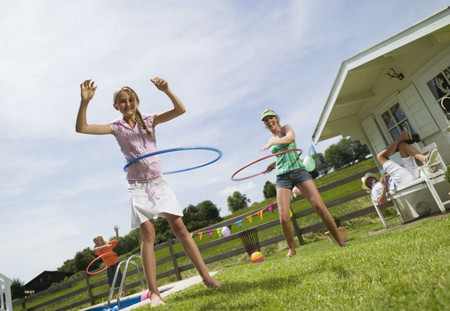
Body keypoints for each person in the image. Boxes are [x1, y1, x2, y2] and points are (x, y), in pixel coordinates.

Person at [76, 77, 222, 307]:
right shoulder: (116, 127)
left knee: (180, 227)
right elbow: (81, 128)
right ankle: (155, 293)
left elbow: (180, 110)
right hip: (138, 186)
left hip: (157, 182)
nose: (127, 104)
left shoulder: (149, 120)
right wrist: (84, 102)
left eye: (130, 99)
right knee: (148, 234)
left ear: (137, 101)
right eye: (122, 101)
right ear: (116, 106)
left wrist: (167, 89)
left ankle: (207, 277)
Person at [261, 109, 346, 258]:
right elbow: (283, 156)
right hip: (282, 176)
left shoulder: (286, 128)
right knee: (283, 217)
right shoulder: (271, 140)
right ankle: (292, 249)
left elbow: (290, 139)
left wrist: (274, 141)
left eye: (271, 118)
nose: (269, 122)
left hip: (299, 171)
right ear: (265, 124)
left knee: (319, 206)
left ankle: (340, 241)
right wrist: (273, 165)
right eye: (266, 120)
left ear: (276, 118)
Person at [361, 127, 437, 207]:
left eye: (369, 178)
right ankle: (402, 137)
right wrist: (383, 186)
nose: (369, 180)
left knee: (402, 146)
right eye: (367, 182)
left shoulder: (382, 179)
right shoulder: (374, 190)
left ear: (373, 177)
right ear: (369, 187)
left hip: (412, 175)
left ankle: (424, 159)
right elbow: (380, 202)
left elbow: (393, 176)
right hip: (402, 182)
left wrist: (388, 175)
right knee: (380, 157)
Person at [93, 226, 129, 298]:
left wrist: (116, 231)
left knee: (119, 277)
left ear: (101, 239)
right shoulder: (98, 249)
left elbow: (117, 240)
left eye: (97, 240)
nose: (96, 242)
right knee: (110, 280)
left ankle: (126, 292)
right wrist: (104, 247)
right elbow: (95, 250)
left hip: (115, 263)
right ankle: (113, 295)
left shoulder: (108, 244)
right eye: (95, 241)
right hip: (109, 266)